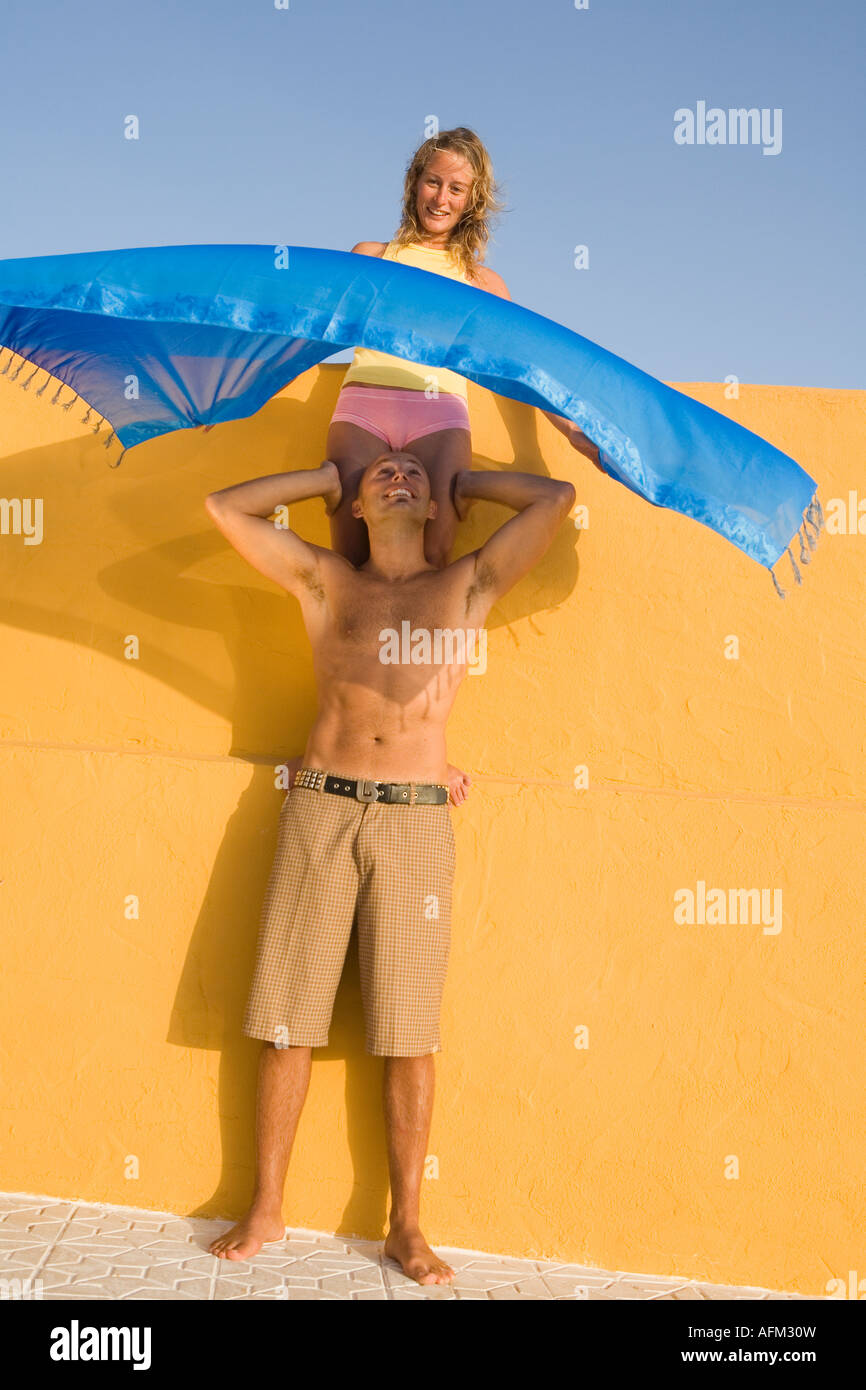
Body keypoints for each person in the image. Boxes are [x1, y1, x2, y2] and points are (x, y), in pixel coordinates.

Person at [203, 448, 575, 1284]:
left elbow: (556, 497)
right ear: (361, 509)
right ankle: (267, 1203)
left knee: (410, 1032)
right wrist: (324, 478)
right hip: (322, 804)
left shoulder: (467, 584)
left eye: (413, 471)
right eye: (382, 475)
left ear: (434, 503)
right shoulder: (328, 579)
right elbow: (226, 506)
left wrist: (465, 482)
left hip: (415, 819)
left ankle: (406, 1224)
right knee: (287, 1018)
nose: (398, 476)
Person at [277, 125, 602, 807]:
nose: (441, 196)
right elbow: (310, 324)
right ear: (413, 182)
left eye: (457, 188)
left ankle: (429, 748)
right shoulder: (373, 254)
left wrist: (571, 429)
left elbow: (521, 368)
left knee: (434, 584)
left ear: (473, 199)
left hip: (438, 415)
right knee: (351, 579)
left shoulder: (483, 281)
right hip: (363, 407)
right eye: (432, 181)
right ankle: (335, 735)